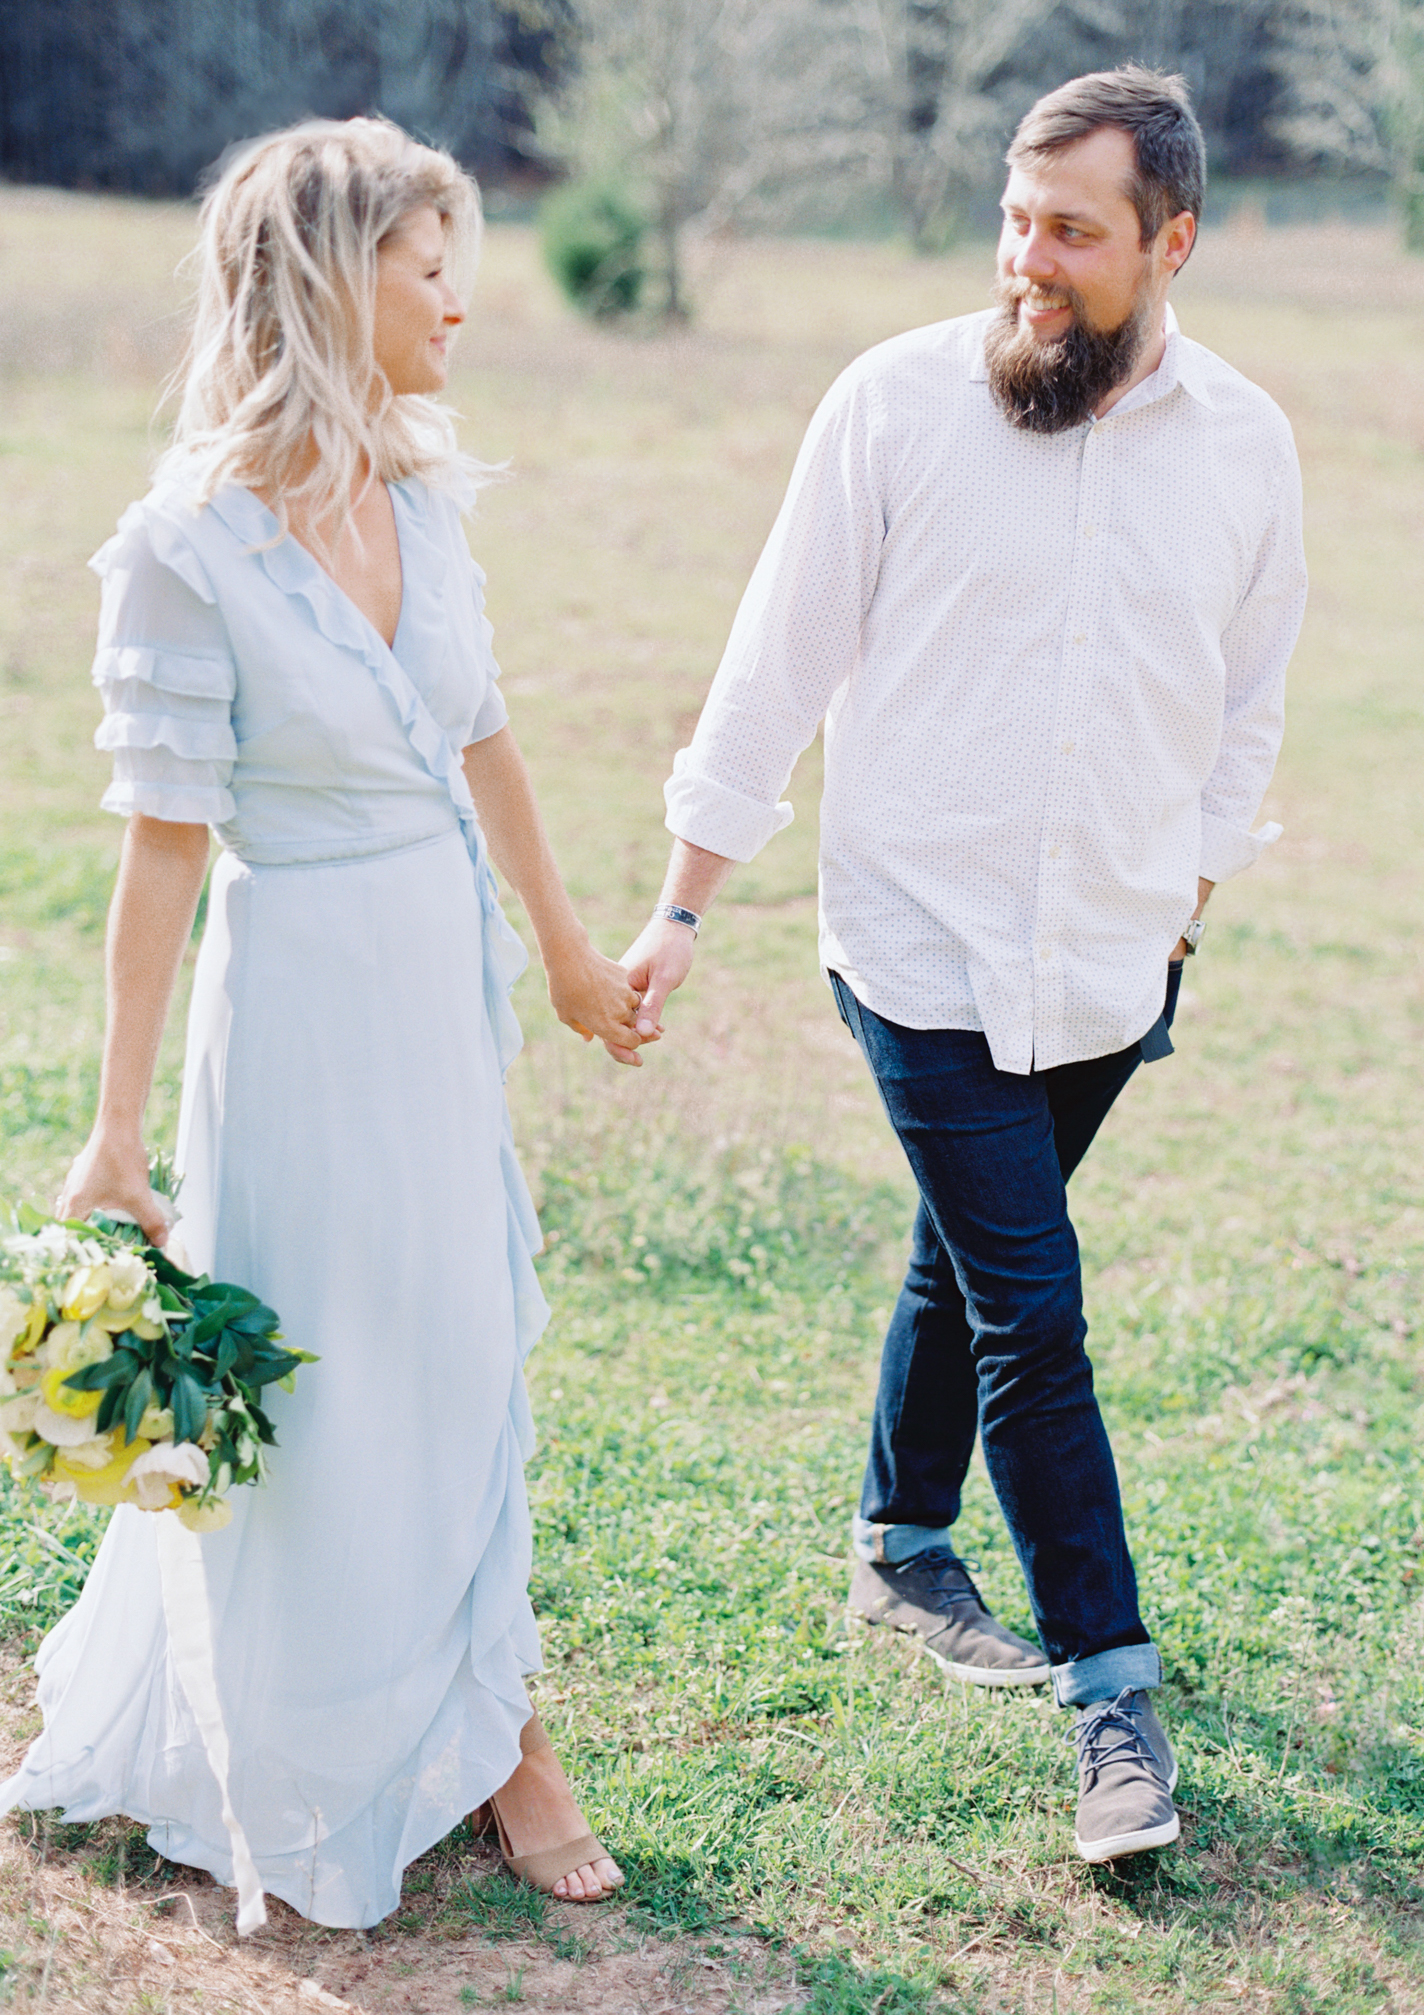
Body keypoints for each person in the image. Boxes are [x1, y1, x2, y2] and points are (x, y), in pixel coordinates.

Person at [620, 67, 1305, 1863]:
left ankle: (896, 1543)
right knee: (1034, 1307)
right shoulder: (895, 405)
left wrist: (1187, 910)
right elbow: (775, 664)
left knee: (968, 1251)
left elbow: (1249, 710)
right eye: (1017, 217)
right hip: (915, 943)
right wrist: (682, 905)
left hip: (1110, 962)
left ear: (1173, 241)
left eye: (1072, 231)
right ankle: (1115, 1704)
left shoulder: (1249, 445)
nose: (1029, 258)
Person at [0, 118, 638, 1924]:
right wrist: (113, 1134)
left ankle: (501, 1732)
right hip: (293, 1012)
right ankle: (286, 1734)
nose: (461, 305)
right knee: (325, 1364)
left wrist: (573, 957)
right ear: (328, 279)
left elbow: (484, 736)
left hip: (442, 991)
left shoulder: (427, 502)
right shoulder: (181, 547)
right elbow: (160, 862)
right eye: (431, 269)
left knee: (458, 1348)